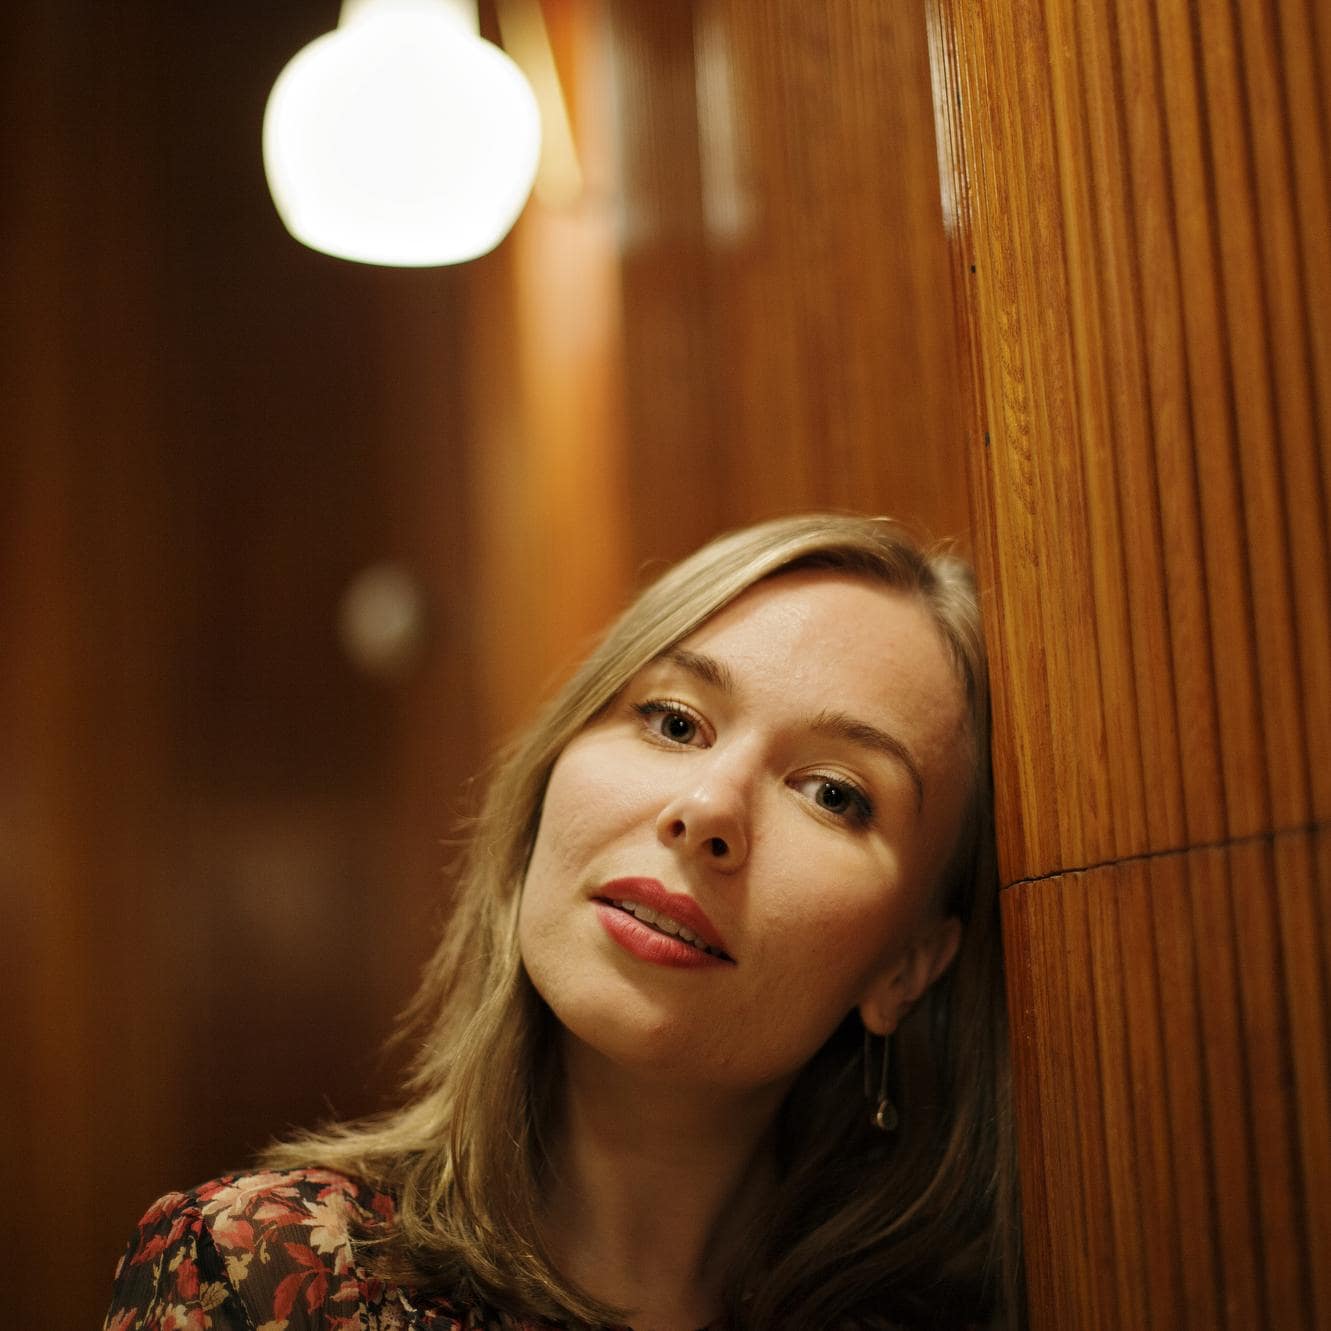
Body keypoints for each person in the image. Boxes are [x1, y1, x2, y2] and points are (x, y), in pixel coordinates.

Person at [103, 513, 1020, 1331]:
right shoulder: (266, 1274)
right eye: (673, 722)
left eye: (833, 792)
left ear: (906, 967)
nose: (707, 807)